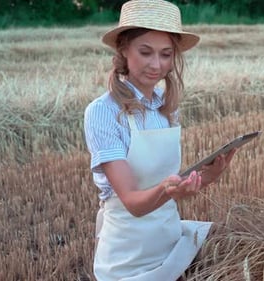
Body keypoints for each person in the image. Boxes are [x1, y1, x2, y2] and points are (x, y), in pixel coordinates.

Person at [83, 0, 235, 280]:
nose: (157, 65)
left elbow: (167, 184)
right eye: (145, 52)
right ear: (123, 49)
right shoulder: (103, 112)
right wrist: (167, 190)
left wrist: (207, 177)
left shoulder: (166, 107)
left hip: (170, 243)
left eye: (166, 54)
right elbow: (132, 201)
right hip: (127, 257)